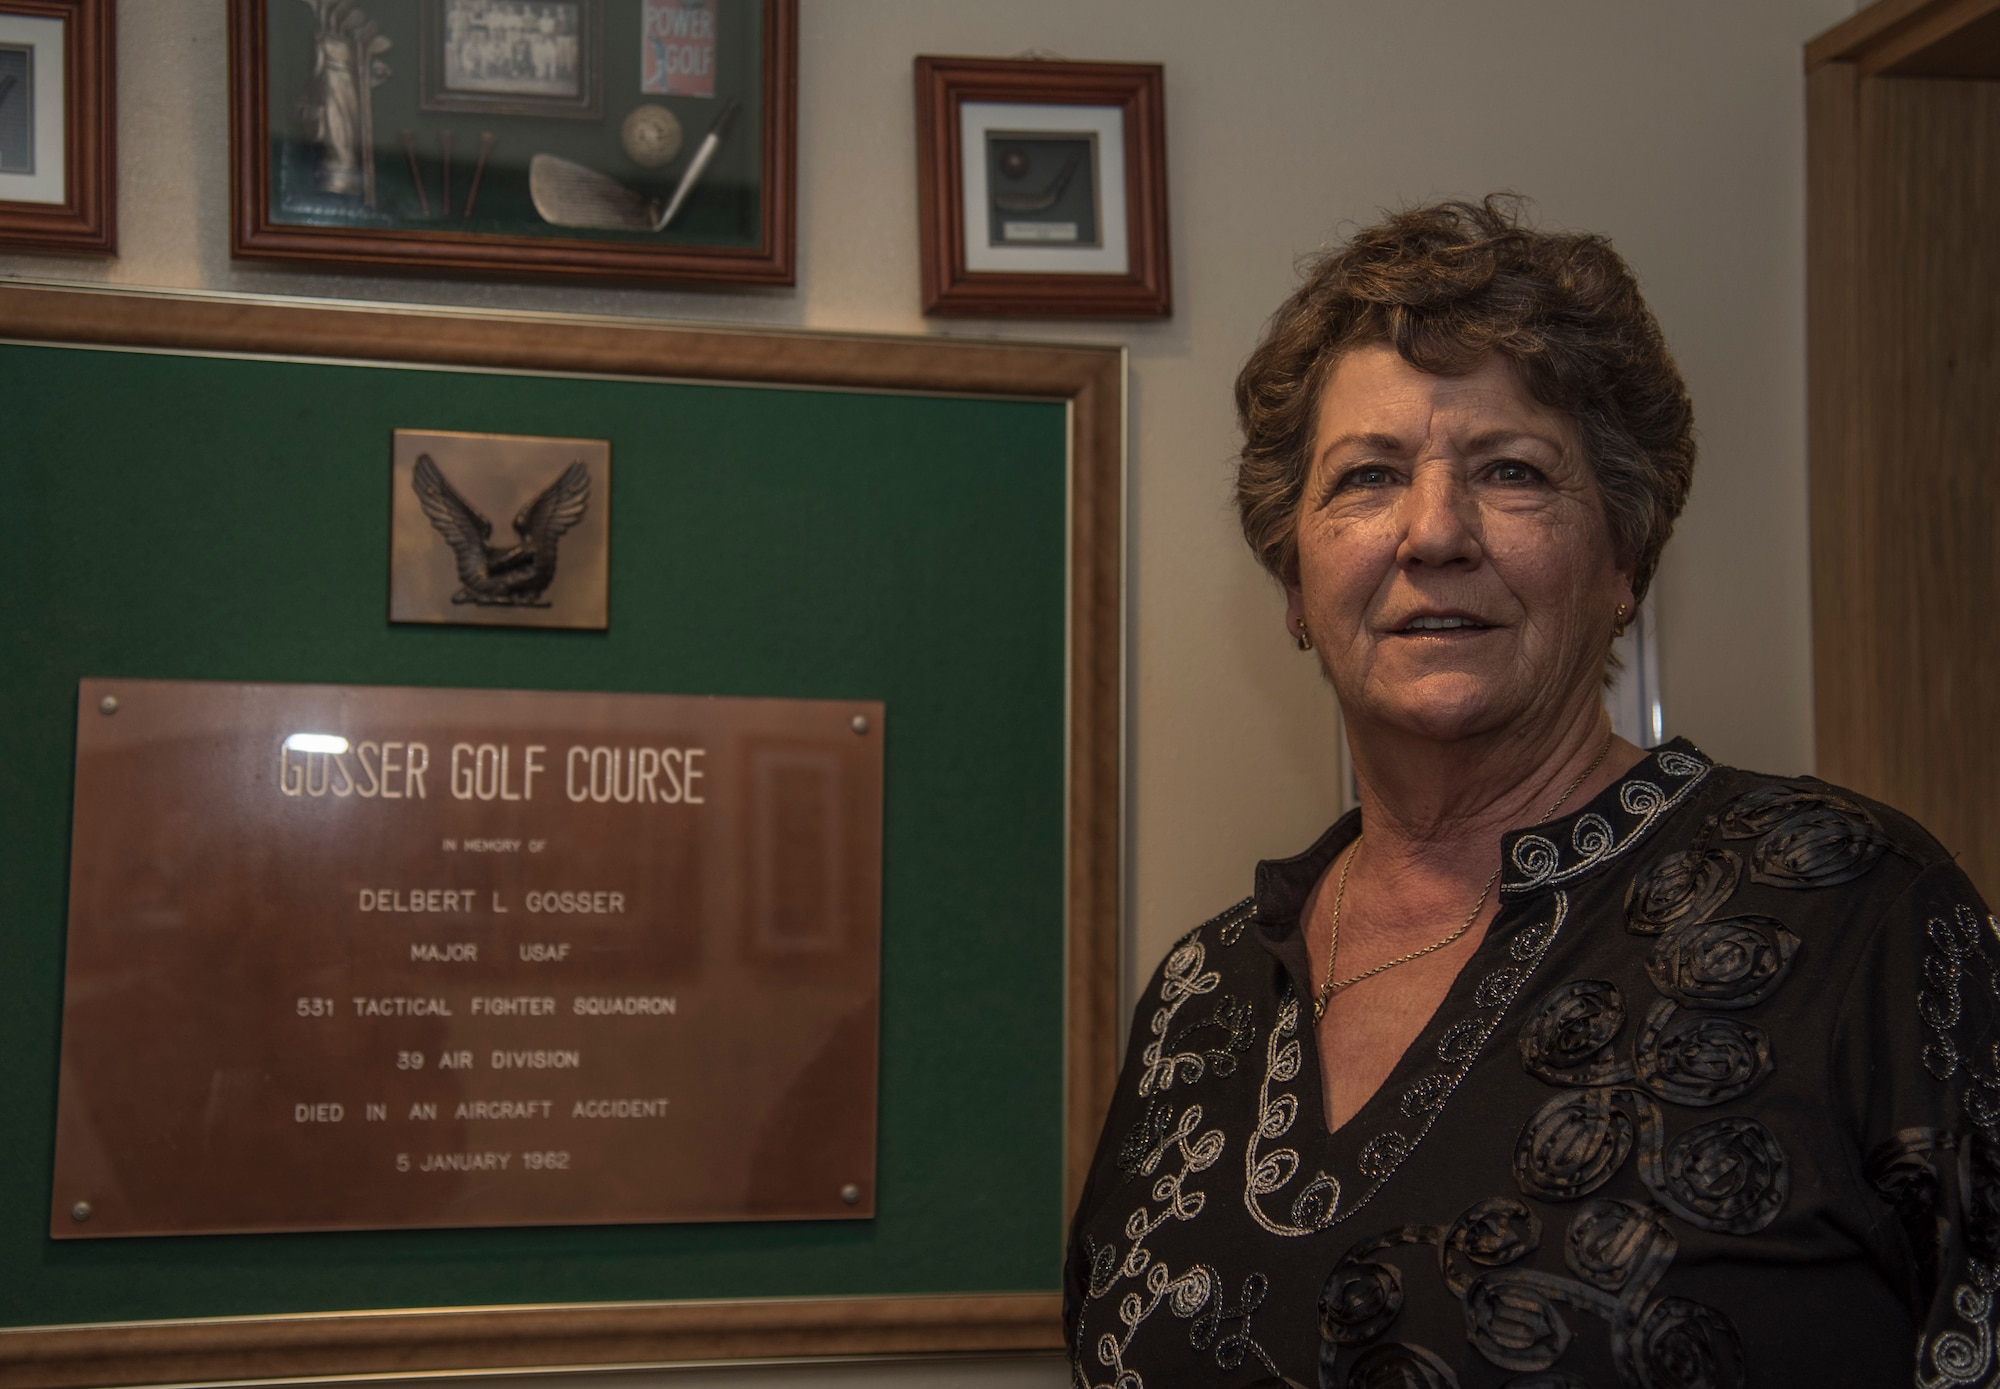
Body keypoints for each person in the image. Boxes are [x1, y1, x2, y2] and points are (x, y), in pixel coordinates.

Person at [1063, 197, 1999, 1389]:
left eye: (1510, 471)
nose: (1433, 533)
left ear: (1620, 559)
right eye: (1366, 476)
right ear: (1295, 577)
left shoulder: (1857, 912)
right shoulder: (1200, 1000)